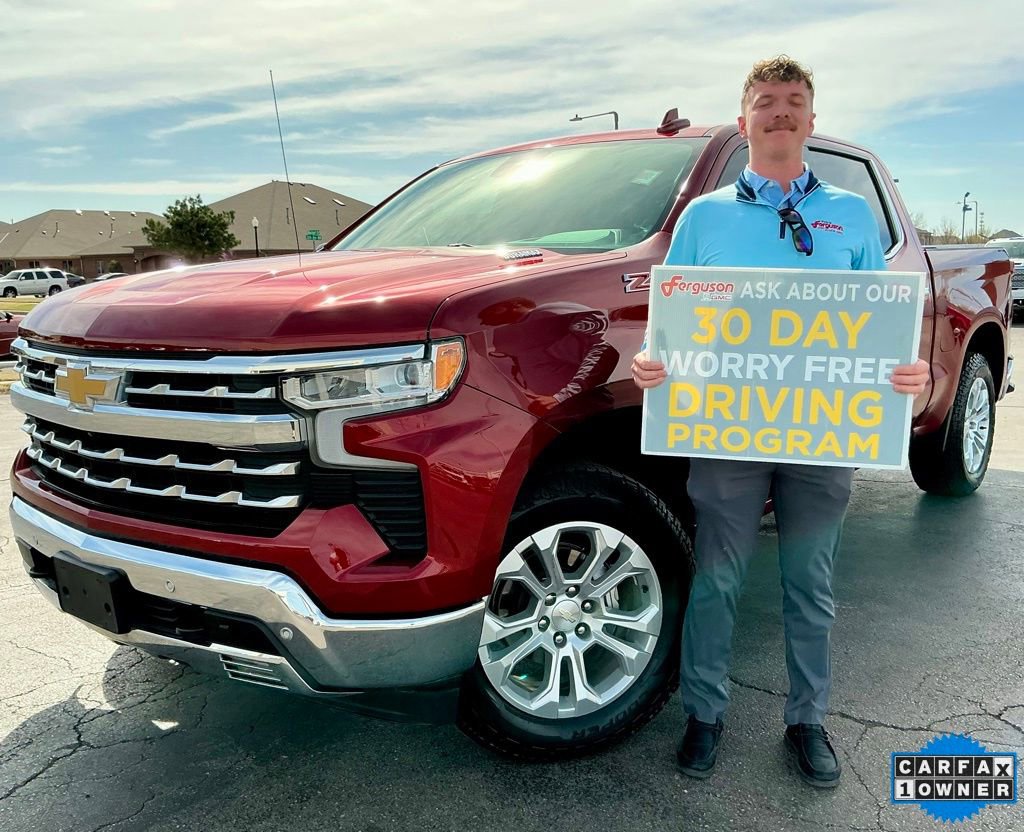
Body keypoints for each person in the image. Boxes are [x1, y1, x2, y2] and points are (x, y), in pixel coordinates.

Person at [631, 56, 929, 788]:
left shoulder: (850, 216)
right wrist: (651, 362)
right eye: (766, 101)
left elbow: (877, 327)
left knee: (809, 583)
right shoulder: (704, 218)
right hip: (727, 430)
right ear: (745, 121)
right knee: (718, 578)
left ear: (811, 121)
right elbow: (673, 322)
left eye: (794, 100)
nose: (780, 111)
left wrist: (908, 373)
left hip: (823, 433)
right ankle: (704, 714)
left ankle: (808, 720)